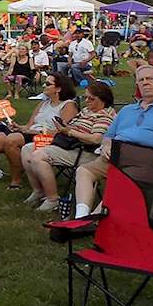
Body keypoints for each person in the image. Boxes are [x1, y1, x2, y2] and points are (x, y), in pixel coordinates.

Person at [73, 66, 153, 218]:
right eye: (141, 80)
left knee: (122, 179)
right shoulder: (128, 110)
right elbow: (108, 136)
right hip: (116, 155)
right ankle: (81, 216)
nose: (145, 83)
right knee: (84, 171)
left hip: (152, 160)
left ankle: (95, 219)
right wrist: (107, 145)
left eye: (150, 79)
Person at [0, 72, 78, 188]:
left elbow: (62, 131)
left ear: (58, 88)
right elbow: (29, 126)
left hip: (50, 138)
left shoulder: (68, 105)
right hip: (32, 133)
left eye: (47, 84)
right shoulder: (44, 103)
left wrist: (33, 132)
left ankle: (16, 180)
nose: (43, 85)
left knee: (12, 140)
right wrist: (19, 127)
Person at [23, 82, 116, 212]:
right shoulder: (86, 111)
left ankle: (52, 199)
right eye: (85, 97)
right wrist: (64, 126)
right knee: (27, 149)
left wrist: (70, 132)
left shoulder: (104, 116)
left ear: (103, 100)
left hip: (84, 152)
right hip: (68, 144)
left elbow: (96, 139)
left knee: (38, 156)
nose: (86, 101)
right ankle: (39, 191)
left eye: (91, 98)